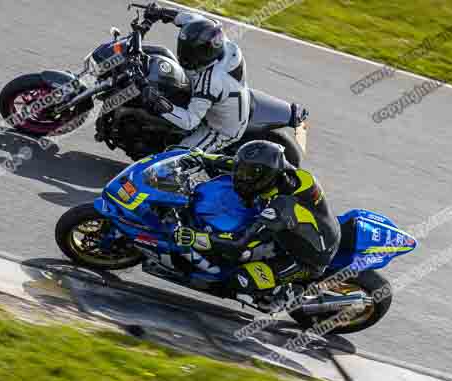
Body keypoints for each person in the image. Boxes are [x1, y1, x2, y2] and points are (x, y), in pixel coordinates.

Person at [174, 140, 341, 311]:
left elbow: (238, 244)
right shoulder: (284, 172)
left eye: (247, 174)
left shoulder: (281, 208)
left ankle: (285, 295)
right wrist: (202, 157)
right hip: (302, 230)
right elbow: (237, 164)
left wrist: (195, 237)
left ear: (265, 176)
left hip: (304, 259)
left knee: (240, 278)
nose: (241, 176)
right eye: (242, 171)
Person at [141, 5, 251, 153]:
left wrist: (156, 101)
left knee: (174, 158)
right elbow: (190, 19)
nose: (184, 54)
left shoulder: (211, 81)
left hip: (221, 129)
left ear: (203, 53)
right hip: (222, 98)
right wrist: (161, 12)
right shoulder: (214, 35)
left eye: (190, 52)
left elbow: (189, 121)